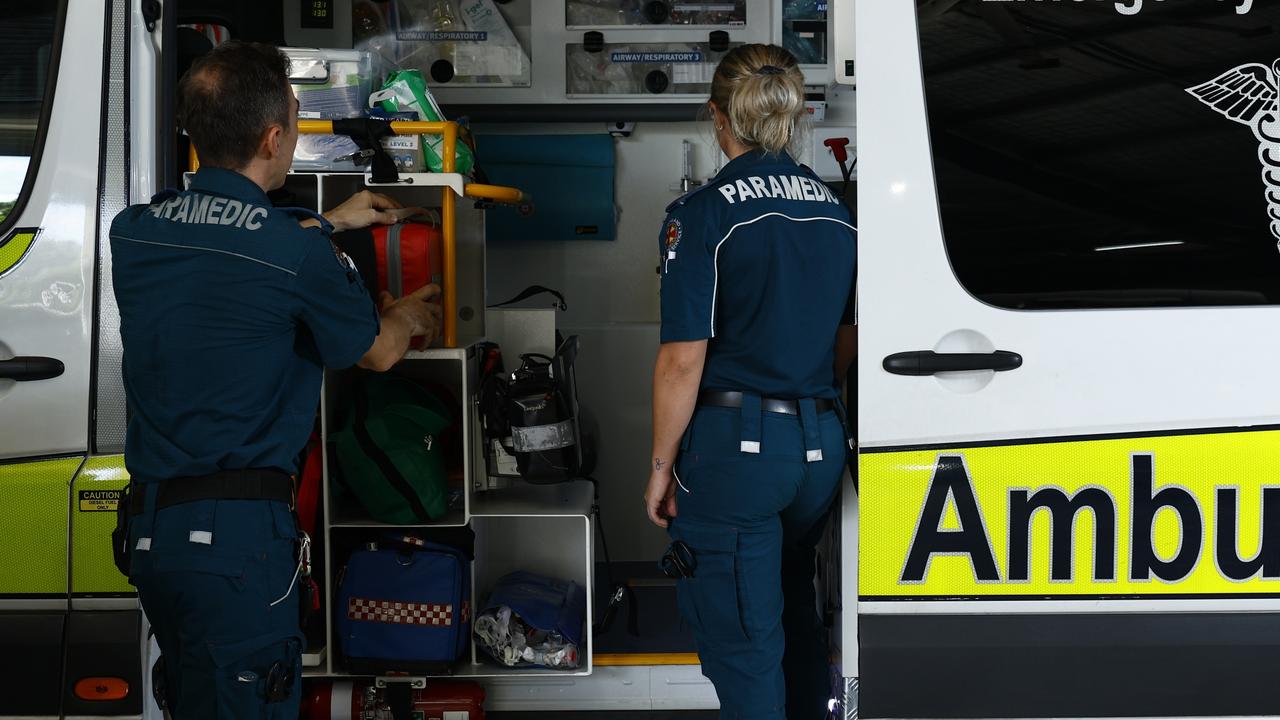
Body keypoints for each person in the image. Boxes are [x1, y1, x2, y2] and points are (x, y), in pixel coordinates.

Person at [110, 41, 440, 718]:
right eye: (294, 114)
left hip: (152, 536)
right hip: (235, 542)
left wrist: (326, 221)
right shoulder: (295, 254)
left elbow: (225, 244)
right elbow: (374, 354)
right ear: (272, 137)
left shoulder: (135, 234)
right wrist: (407, 316)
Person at [644, 44, 857, 720]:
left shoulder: (703, 213)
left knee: (741, 641)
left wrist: (659, 467)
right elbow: (844, 340)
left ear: (718, 117)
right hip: (819, 449)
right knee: (793, 611)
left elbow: (683, 359)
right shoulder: (836, 211)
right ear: (791, 118)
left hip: (739, 454)